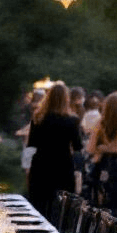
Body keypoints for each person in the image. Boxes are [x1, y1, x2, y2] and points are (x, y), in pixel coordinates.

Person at [25, 82, 82, 216]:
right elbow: (78, 146)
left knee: (40, 206)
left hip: (41, 164)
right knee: (61, 209)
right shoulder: (72, 120)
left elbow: (31, 144)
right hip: (63, 165)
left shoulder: (38, 118)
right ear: (66, 99)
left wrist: (27, 167)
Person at [86, 91, 117, 219]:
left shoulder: (100, 124)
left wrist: (102, 148)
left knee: (101, 207)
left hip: (103, 167)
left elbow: (90, 148)